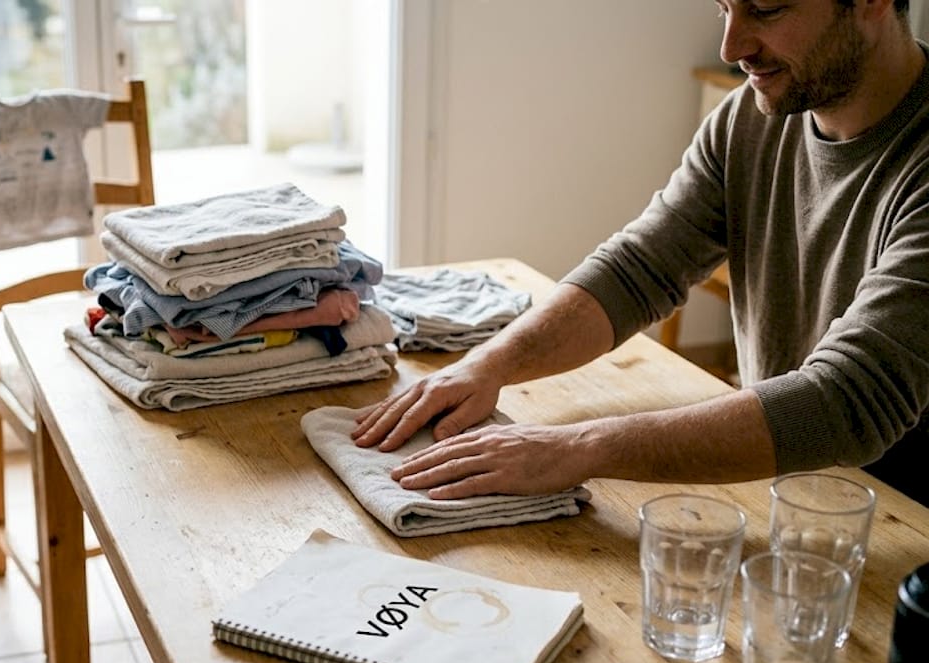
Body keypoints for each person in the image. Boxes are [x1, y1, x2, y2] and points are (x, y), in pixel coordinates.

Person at [352, 0, 929, 507]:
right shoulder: (747, 120)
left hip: (904, 534)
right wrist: (488, 365)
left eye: (767, 10)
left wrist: (576, 448)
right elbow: (639, 268)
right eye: (724, 8)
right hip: (790, 492)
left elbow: (849, 400)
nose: (734, 46)